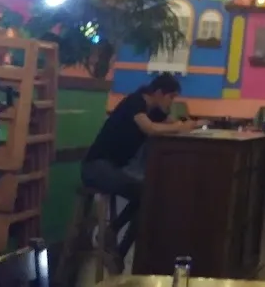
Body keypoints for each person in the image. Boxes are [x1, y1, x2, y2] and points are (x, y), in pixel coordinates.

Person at [81, 74, 195, 259]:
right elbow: (150, 128)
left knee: (149, 194)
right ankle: (114, 238)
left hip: (113, 168)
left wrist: (191, 125)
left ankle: (117, 245)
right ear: (159, 93)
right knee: (147, 194)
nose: (172, 102)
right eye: (171, 97)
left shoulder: (154, 110)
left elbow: (170, 123)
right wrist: (180, 127)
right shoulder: (135, 102)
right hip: (96, 167)